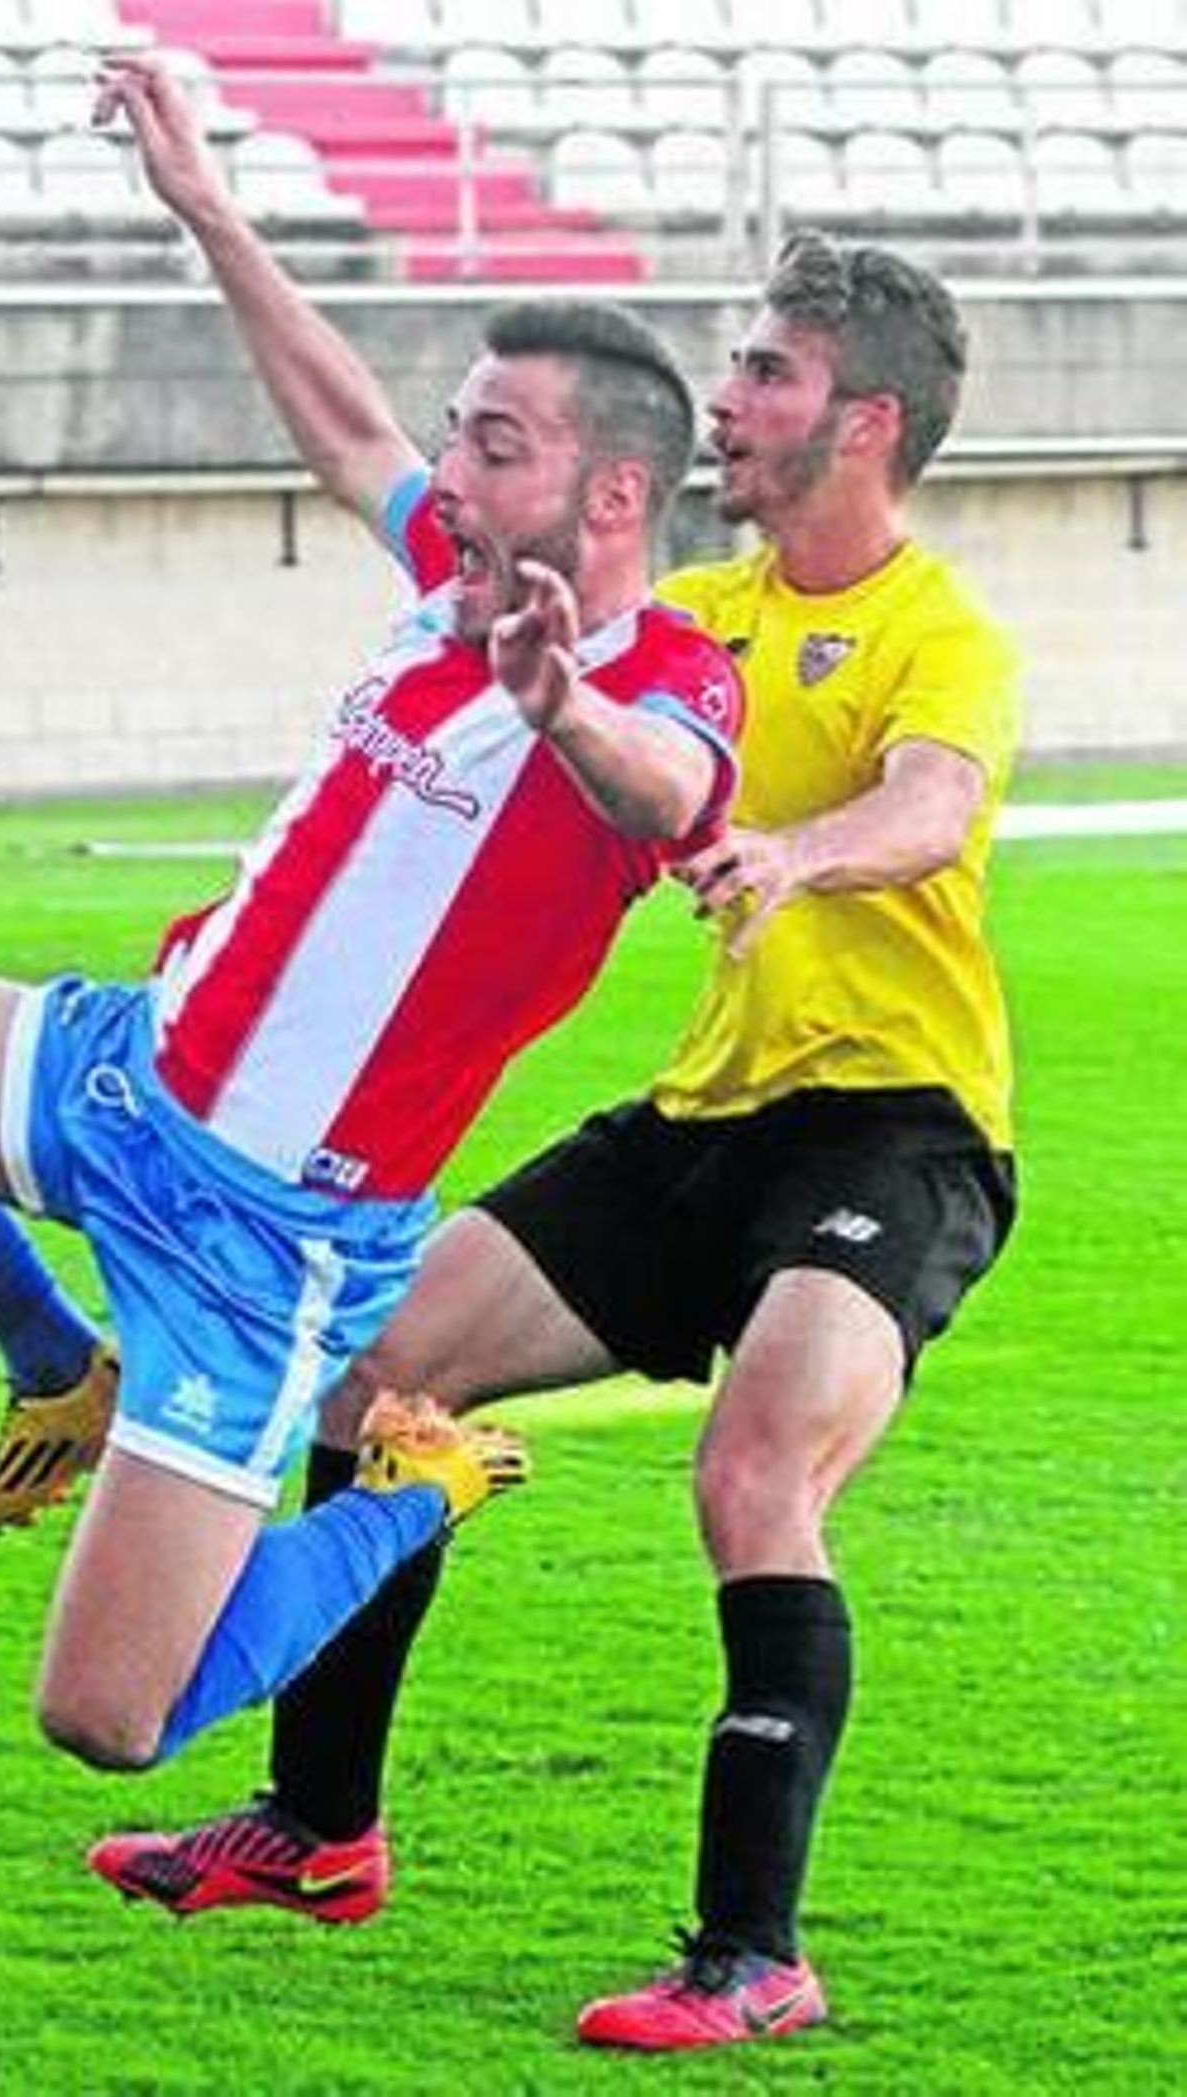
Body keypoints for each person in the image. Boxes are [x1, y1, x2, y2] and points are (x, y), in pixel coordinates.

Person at [0, 49, 741, 1787]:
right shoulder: (445, 574)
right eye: (458, 431)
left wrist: (557, 708)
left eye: (494, 441)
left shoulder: (666, 675)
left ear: (612, 497)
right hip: (127, 1074)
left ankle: (411, 1492)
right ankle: (53, 1363)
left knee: (111, 1715)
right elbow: (341, 423)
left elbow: (670, 794)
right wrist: (206, 204)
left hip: (273, 1236)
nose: (449, 469)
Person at [86, 231, 1022, 2058]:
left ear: (868, 420)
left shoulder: (941, 632)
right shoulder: (703, 617)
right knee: (373, 1373)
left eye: (765, 372)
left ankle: (752, 1949)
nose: (729, 400)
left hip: (902, 1135)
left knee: (756, 1470)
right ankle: (319, 1830)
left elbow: (930, 805)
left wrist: (796, 850)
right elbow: (416, 516)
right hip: (702, 1120)